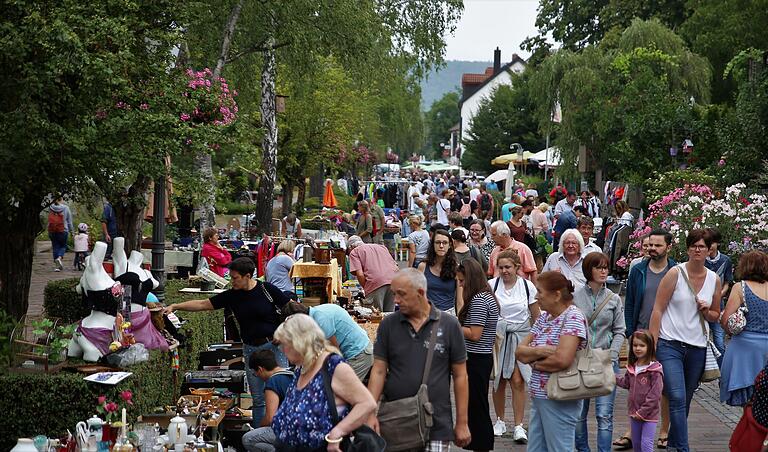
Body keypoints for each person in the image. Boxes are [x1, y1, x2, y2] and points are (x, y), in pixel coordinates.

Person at [163, 257, 289, 427]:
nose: (232, 281)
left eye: (235, 278)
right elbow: (202, 304)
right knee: (259, 398)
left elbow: (292, 309)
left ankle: (286, 432)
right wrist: (176, 306)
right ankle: (259, 436)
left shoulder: (267, 289)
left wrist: (283, 332)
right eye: (231, 277)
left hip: (274, 347)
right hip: (251, 349)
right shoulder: (232, 296)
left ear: (248, 276)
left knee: (283, 392)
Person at [367, 269, 472, 450]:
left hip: (436, 422)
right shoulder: (388, 325)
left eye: (401, 294)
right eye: (394, 294)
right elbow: (378, 370)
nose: (396, 301)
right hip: (395, 420)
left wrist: (462, 422)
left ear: (420, 293)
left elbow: (460, 375)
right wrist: (369, 413)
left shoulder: (449, 325)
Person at [649, 229, 722, 452]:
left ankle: (673, 445)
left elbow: (715, 316)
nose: (697, 250)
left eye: (702, 246)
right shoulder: (675, 273)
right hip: (670, 344)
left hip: (697, 347)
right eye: (693, 246)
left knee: (685, 401)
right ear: (688, 248)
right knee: (677, 396)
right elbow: (658, 310)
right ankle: (683, 448)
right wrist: (652, 347)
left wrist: (707, 309)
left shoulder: (714, 279)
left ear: (710, 250)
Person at [271, 315, 377, 451]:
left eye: (284, 345)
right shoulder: (302, 367)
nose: (282, 350)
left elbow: (367, 403)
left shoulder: (333, 366)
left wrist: (337, 432)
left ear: (298, 342)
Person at [516, 271, 588, 451]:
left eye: (540, 292)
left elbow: (562, 359)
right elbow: (519, 351)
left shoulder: (573, 317)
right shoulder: (543, 317)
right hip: (540, 395)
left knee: (560, 448)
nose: (536, 296)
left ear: (556, 295)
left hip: (560, 396)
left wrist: (534, 362)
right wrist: (541, 351)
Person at [617, 229, 675, 450]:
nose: (652, 249)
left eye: (658, 245)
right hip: (641, 334)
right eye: (650, 245)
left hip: (668, 335)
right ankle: (632, 429)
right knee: (635, 383)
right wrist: (630, 331)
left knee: (664, 385)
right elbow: (630, 301)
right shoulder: (638, 270)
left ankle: (663, 430)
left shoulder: (676, 270)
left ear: (668, 247)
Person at [573, 252, 626, 452]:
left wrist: (612, 354)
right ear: (589, 270)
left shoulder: (613, 299)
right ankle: (583, 449)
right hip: (582, 360)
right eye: (598, 267)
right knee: (579, 414)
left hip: (606, 359)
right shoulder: (576, 297)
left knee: (604, 414)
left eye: (606, 267)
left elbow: (620, 330)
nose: (604, 271)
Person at [489, 250, 540, 443]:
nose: (504, 271)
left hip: (521, 337)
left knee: (518, 380)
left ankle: (519, 424)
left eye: (508, 267)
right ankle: (500, 420)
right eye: (500, 267)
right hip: (499, 337)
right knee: (498, 379)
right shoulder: (491, 286)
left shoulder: (527, 287)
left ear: (517, 267)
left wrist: (535, 341)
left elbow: (536, 315)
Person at [456, 259, 499, 451]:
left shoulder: (479, 300)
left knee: (477, 405)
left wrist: (453, 325)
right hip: (481, 357)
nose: (461, 284)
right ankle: (479, 443)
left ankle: (481, 444)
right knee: (477, 403)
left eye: (462, 281)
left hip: (476, 358)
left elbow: (475, 334)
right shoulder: (487, 297)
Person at [720, 251, 768, 406]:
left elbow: (726, 320)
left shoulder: (740, 288)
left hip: (744, 348)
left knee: (747, 398)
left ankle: (749, 428)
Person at [282, 301, 374, 381]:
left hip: (358, 355)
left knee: (340, 392)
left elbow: (335, 354)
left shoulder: (320, 319)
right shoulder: (315, 314)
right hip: (355, 351)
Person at [616, 331, 664, 452]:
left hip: (649, 414)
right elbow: (626, 383)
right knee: (636, 444)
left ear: (649, 347)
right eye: (635, 345)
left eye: (642, 345)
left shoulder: (655, 370)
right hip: (634, 413)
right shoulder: (632, 367)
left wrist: (642, 412)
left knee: (646, 444)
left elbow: (655, 395)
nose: (638, 348)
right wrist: (613, 378)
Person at [242, 350, 295, 452]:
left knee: (248, 439)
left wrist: (259, 429)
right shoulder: (291, 374)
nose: (257, 376)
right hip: (298, 427)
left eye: (255, 373)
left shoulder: (272, 382)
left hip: (286, 430)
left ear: (260, 369)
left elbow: (270, 418)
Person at [704, 228, 733, 363]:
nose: (709, 246)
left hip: (718, 307)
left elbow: (727, 282)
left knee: (720, 343)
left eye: (711, 243)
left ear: (717, 244)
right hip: (701, 307)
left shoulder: (725, 260)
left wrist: (720, 294)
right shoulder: (700, 258)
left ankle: (722, 375)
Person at [347, 235, 398, 312]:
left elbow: (360, 274)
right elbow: (395, 267)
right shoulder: (381, 247)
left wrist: (367, 288)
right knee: (389, 315)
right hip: (393, 280)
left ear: (350, 247)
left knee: (376, 316)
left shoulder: (354, 252)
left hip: (376, 283)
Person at [418, 229, 458, 313]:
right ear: (432, 245)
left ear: (450, 245)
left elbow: (460, 300)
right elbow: (417, 294)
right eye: (437, 242)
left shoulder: (456, 269)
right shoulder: (423, 266)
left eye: (444, 243)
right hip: (427, 313)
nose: (441, 246)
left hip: (448, 314)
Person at [48, 197, 74, 271]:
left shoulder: (50, 207)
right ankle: (59, 258)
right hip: (63, 230)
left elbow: (49, 219)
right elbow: (69, 221)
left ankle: (57, 267)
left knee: (55, 246)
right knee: (63, 246)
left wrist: (49, 231)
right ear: (61, 199)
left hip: (52, 230)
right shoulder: (66, 208)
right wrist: (72, 232)